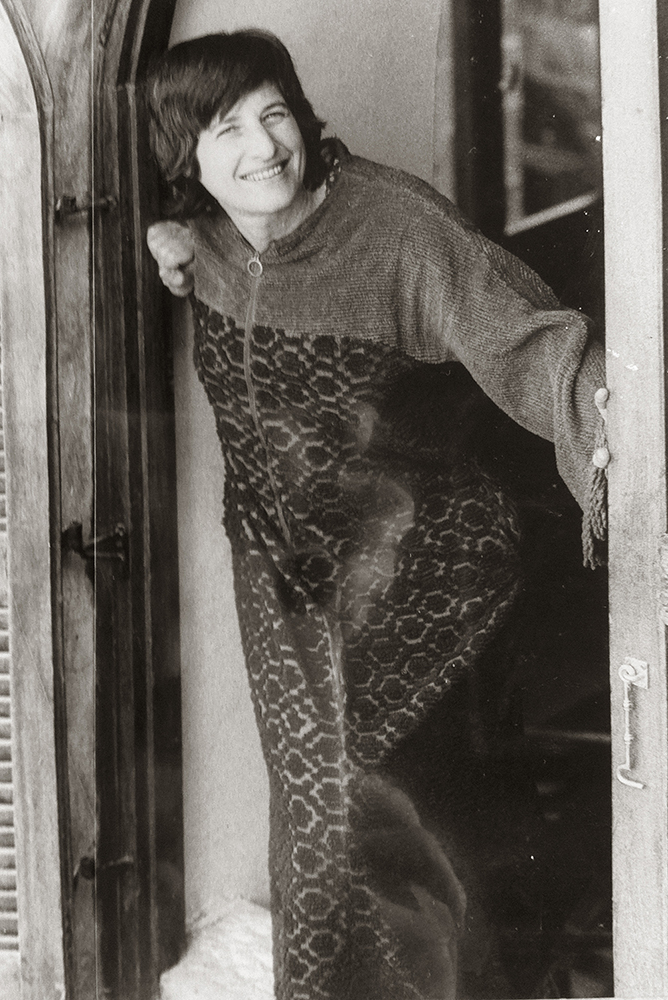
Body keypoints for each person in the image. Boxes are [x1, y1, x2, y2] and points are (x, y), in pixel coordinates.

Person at [145, 30, 609, 1000]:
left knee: (393, 829)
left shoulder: (394, 229)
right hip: (281, 584)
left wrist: (622, 440)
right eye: (228, 129)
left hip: (417, 576)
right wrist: (161, 240)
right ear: (185, 160)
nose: (264, 146)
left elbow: (528, 340)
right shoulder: (208, 236)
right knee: (320, 823)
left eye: (275, 112)